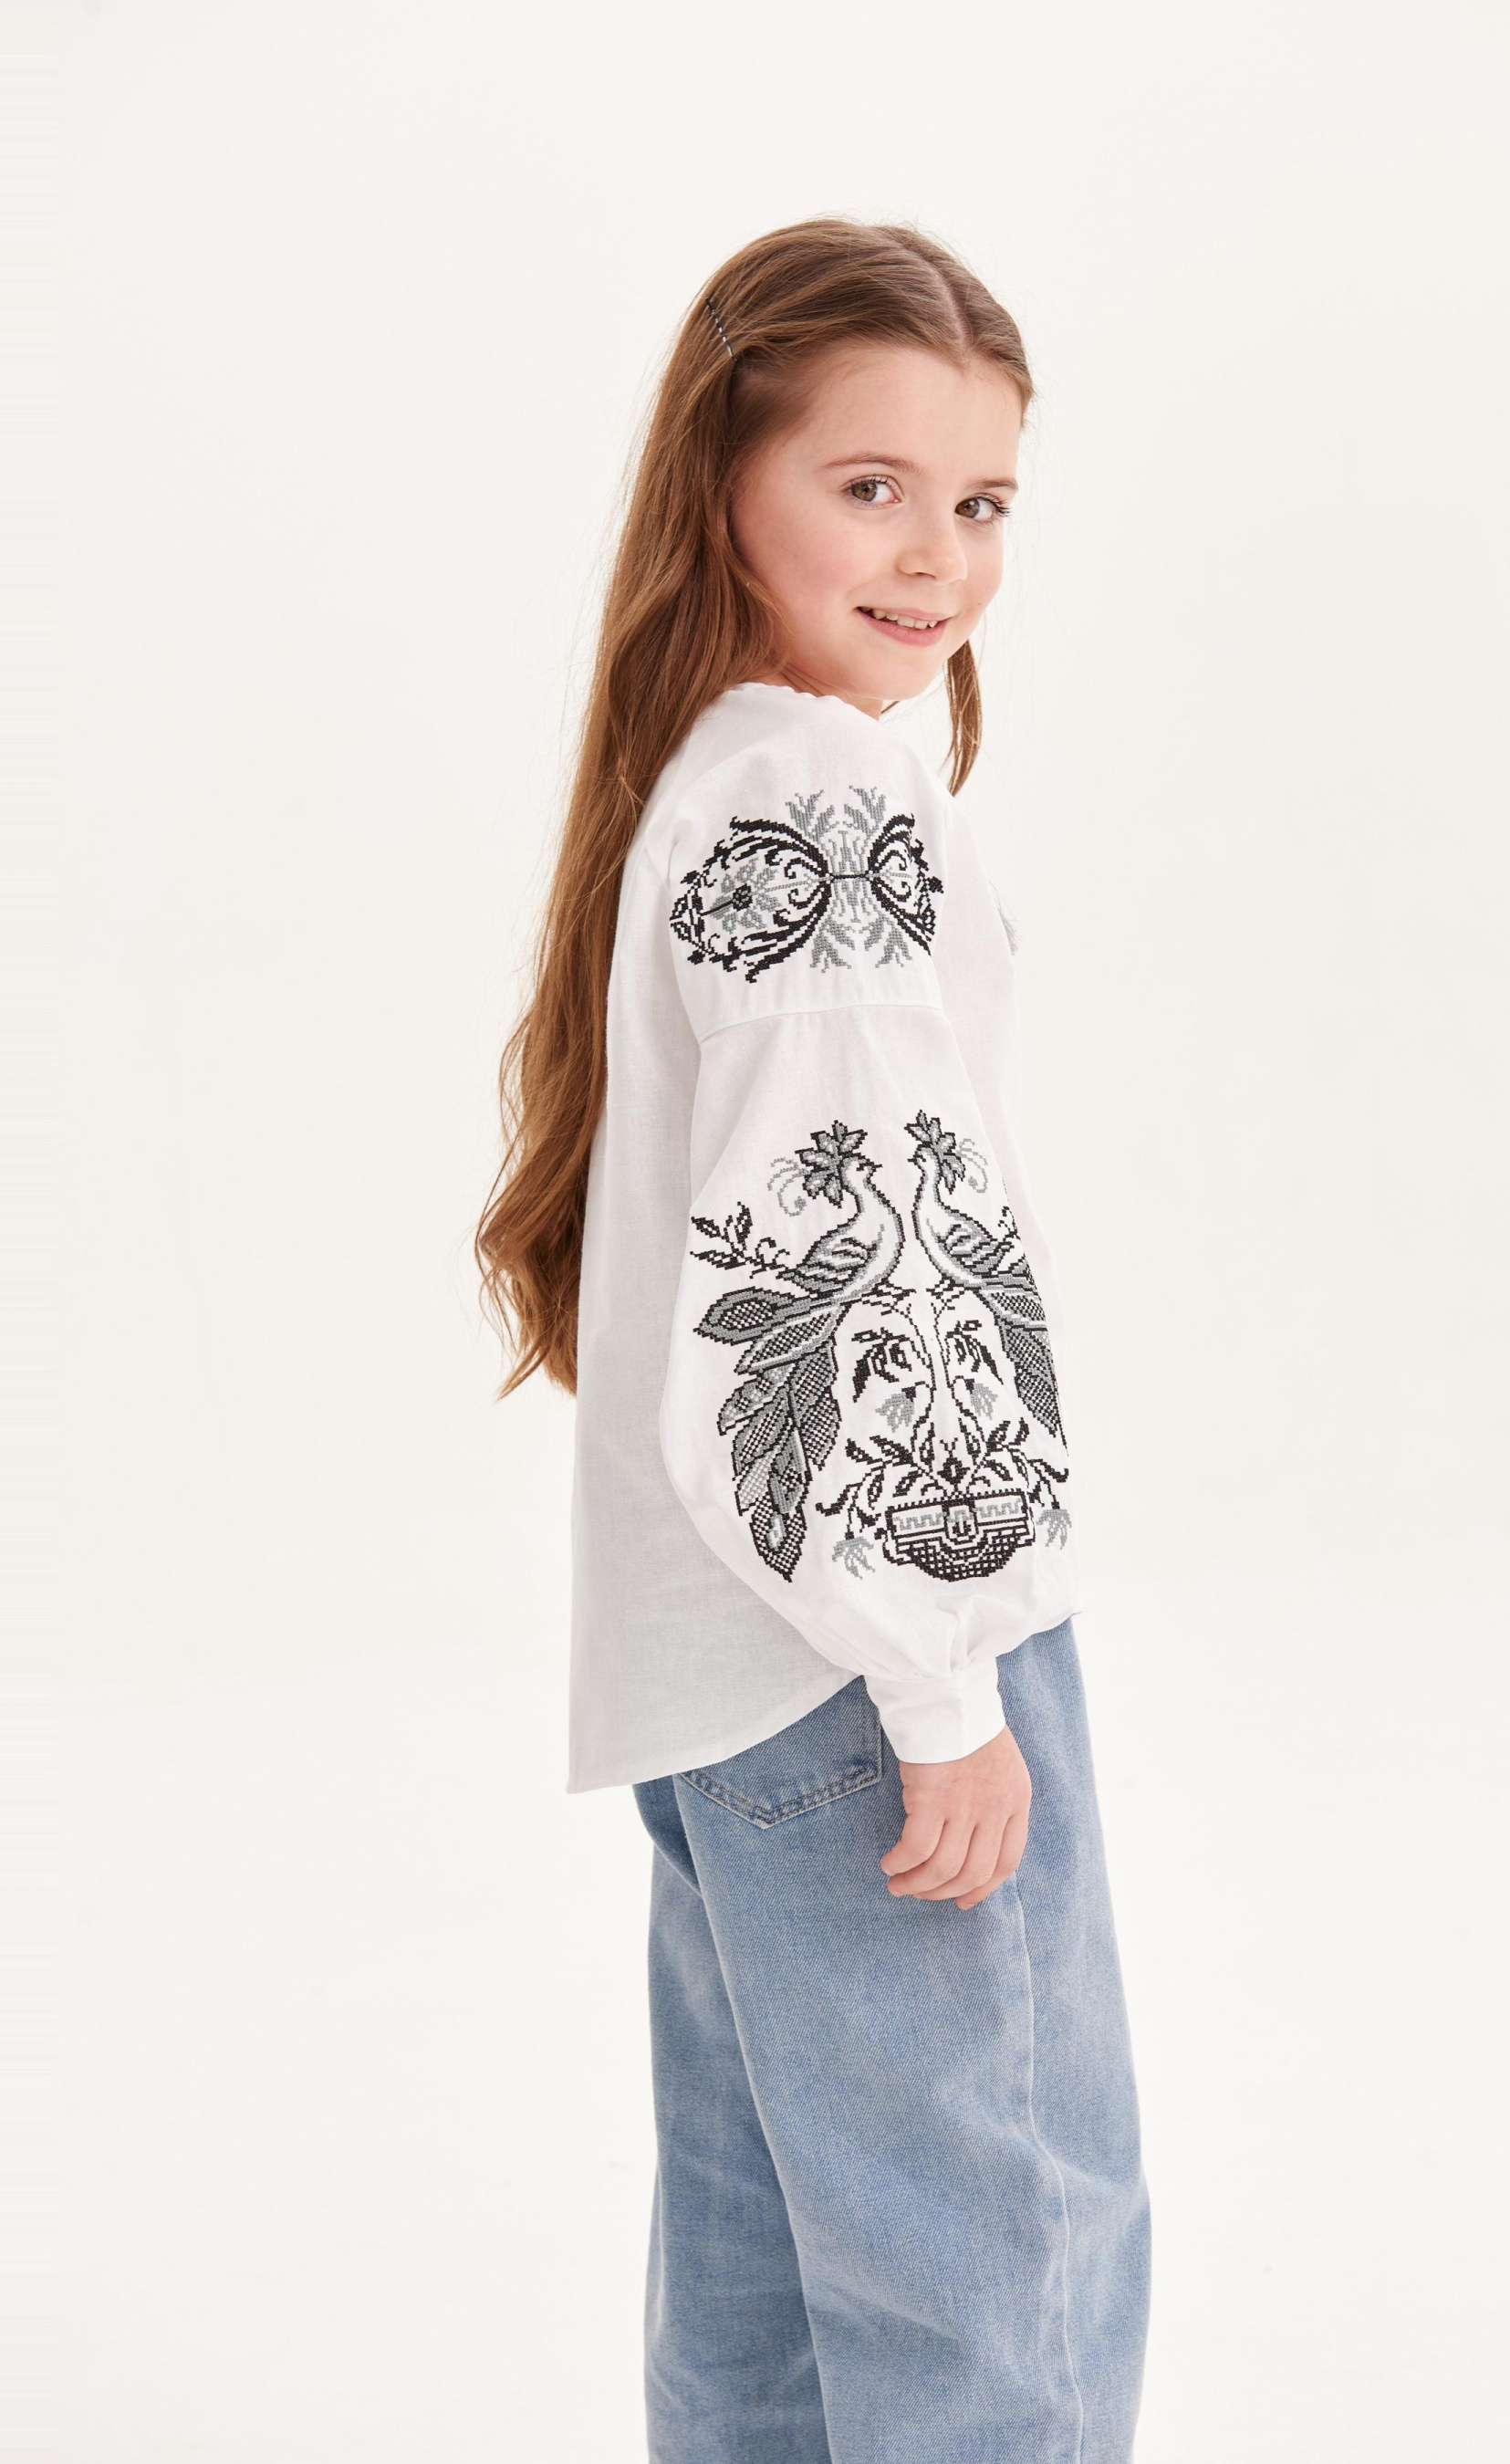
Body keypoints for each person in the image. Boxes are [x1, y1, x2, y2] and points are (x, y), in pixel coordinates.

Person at [476, 217, 1151, 2463]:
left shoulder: (711, 773)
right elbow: (861, 1251)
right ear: (721, 481)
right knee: (994, 2289)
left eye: (979, 500)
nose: (937, 555)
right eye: (869, 488)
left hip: (725, 1671)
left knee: (767, 2283)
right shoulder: (819, 804)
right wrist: (943, 1684)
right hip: (867, 1656)